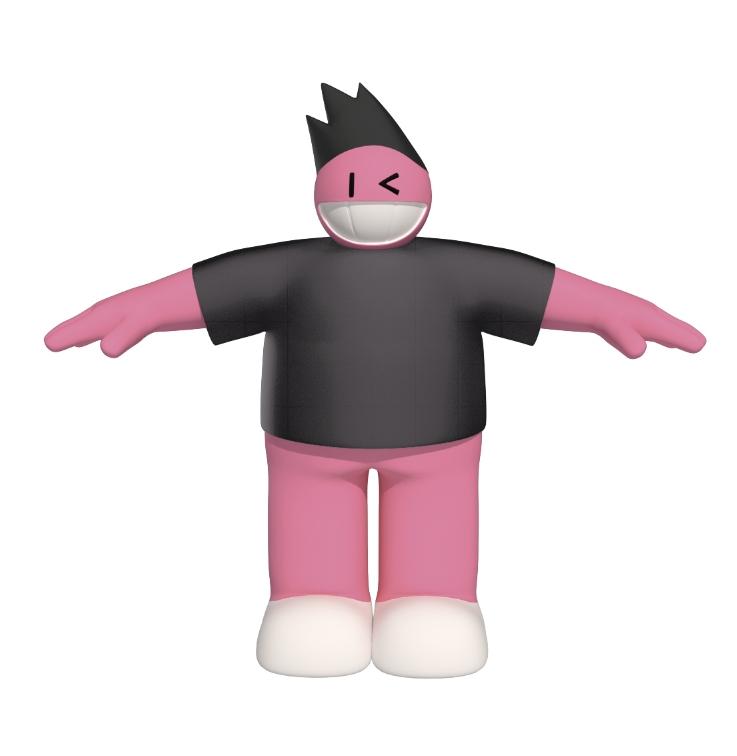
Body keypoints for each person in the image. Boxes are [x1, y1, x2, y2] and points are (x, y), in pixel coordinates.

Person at [44, 83, 706, 678]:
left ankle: (433, 602)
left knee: (432, 526)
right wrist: (135, 309)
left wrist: (614, 310)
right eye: (353, 184)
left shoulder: (458, 270)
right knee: (313, 529)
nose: (369, 200)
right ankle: (313, 601)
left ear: (420, 186)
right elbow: (197, 291)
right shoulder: (287, 270)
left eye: (386, 183)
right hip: (309, 443)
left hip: (436, 443)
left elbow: (550, 291)